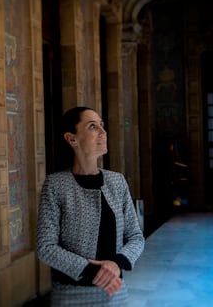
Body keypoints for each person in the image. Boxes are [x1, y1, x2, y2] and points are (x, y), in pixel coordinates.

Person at [36, 106, 145, 306]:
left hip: (116, 293)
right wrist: (93, 271)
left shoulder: (117, 182)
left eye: (102, 126)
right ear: (72, 139)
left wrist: (116, 263)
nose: (103, 133)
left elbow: (136, 237)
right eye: (93, 127)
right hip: (71, 296)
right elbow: (46, 246)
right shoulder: (55, 185)